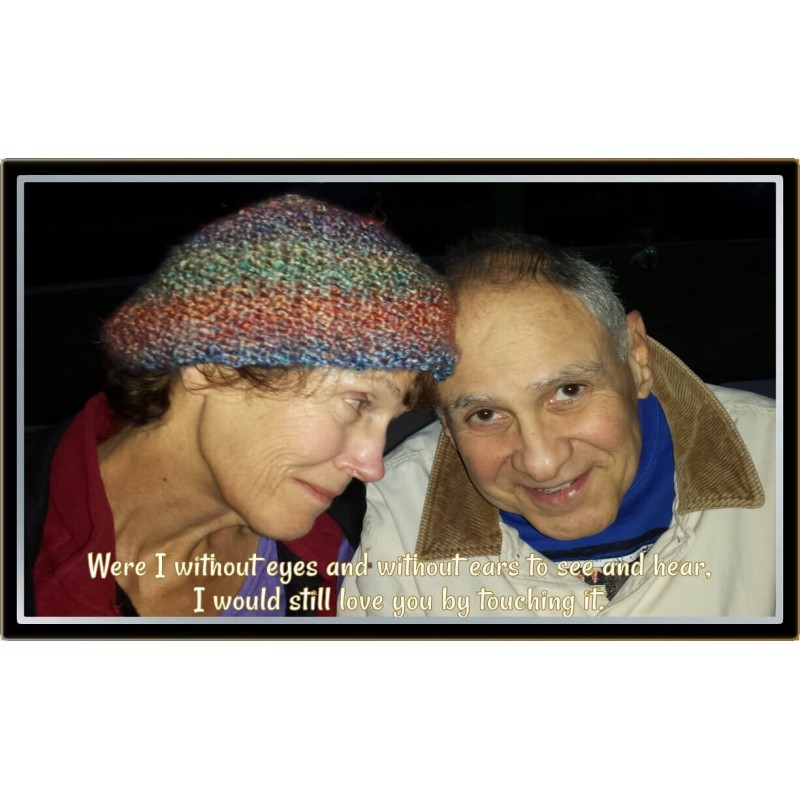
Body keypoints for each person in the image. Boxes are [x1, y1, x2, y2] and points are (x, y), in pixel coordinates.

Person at [27, 194, 457, 617]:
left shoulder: (341, 559)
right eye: (357, 403)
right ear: (210, 364)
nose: (372, 467)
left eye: (390, 421)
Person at [340, 231, 776, 618]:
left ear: (636, 358)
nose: (543, 463)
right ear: (446, 424)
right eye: (485, 415)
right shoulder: (401, 512)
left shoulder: (777, 458)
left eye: (568, 391)